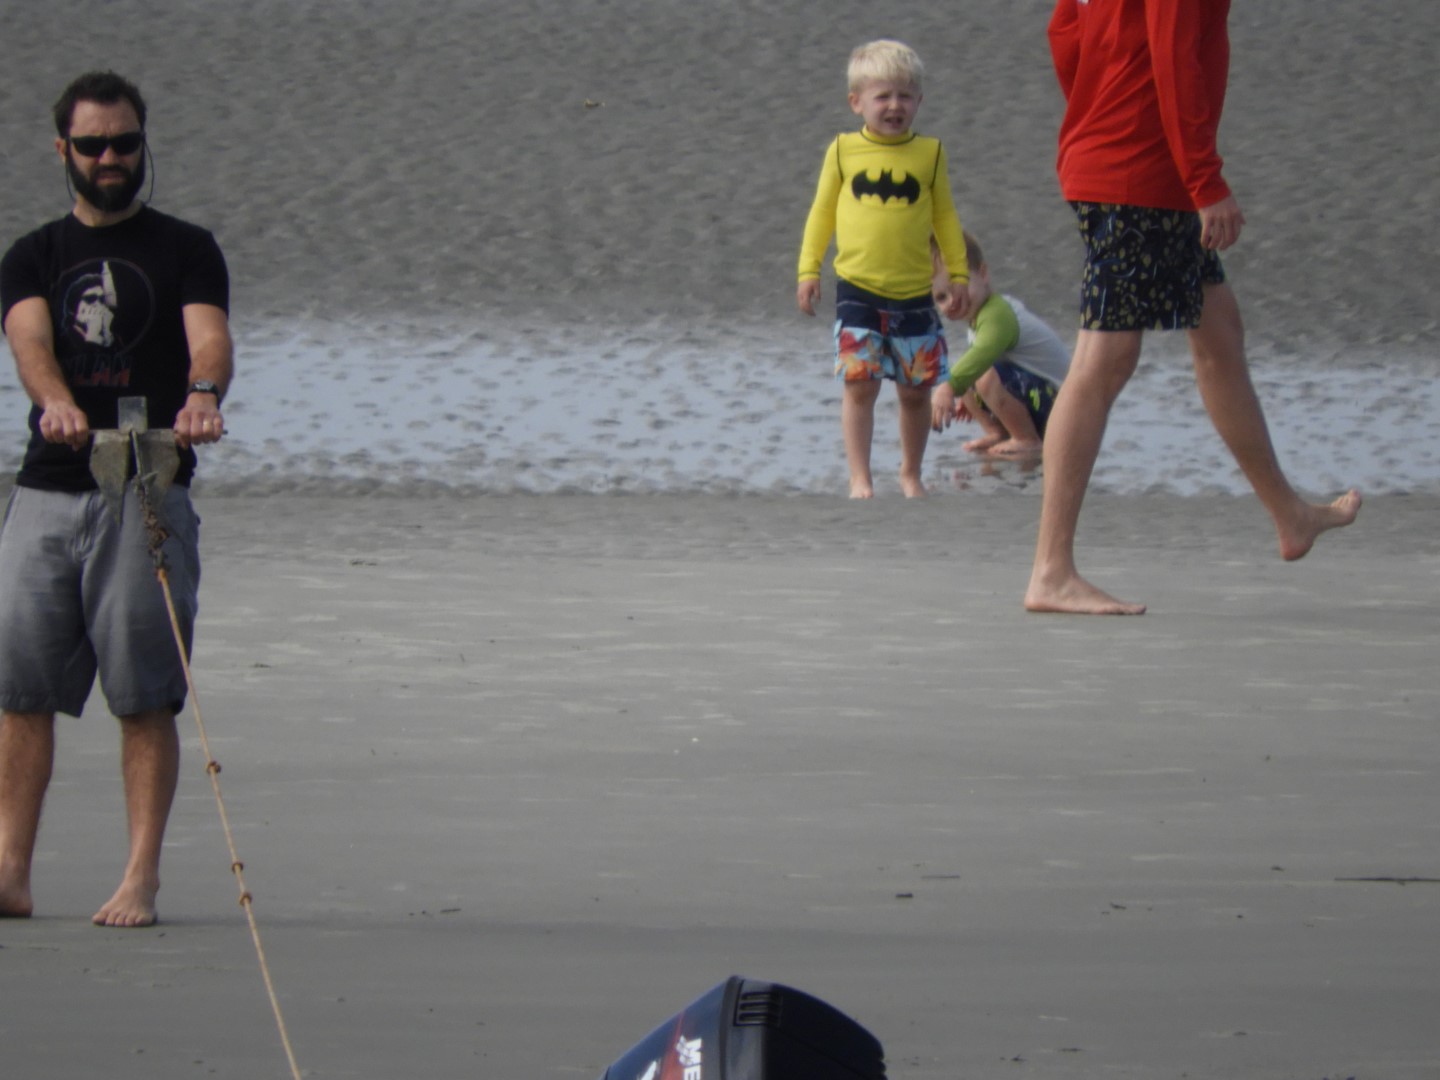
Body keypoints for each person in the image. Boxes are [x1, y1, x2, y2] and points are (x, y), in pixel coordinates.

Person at [1027, 0, 1360, 615]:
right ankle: (1051, 571)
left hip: (1120, 158)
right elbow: (1175, 57)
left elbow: (1065, 33)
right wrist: (1205, 182)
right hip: (1140, 171)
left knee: (1218, 329)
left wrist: (1097, 110)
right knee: (1105, 359)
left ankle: (1289, 515)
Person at [0, 71, 233, 926]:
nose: (109, 158)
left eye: (124, 143)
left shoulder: (185, 248)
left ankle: (141, 877)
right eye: (92, 145)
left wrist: (203, 392)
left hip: (147, 488)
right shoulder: (34, 255)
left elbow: (208, 333)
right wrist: (54, 400)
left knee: (143, 694)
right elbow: (28, 338)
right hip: (47, 490)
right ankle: (10, 870)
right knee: (20, 689)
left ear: (143, 143)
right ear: (63, 150)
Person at [796, 39, 976, 499]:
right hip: (857, 288)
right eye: (883, 96)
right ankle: (860, 478)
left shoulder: (930, 154)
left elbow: (946, 218)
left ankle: (910, 473)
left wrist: (957, 275)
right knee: (860, 385)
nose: (895, 105)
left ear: (919, 100)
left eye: (905, 95)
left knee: (915, 391)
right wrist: (808, 270)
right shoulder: (842, 151)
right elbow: (821, 213)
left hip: (914, 292)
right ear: (857, 102)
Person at [930, 232, 1070, 457]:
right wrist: (976, 399)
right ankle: (997, 432)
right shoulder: (978, 319)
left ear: (983, 274)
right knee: (969, 375)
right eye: (941, 297)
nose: (953, 300)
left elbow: (983, 355)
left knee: (978, 373)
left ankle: (1027, 439)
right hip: (1037, 395)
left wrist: (947, 388)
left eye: (959, 284)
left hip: (1063, 406)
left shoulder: (997, 315)